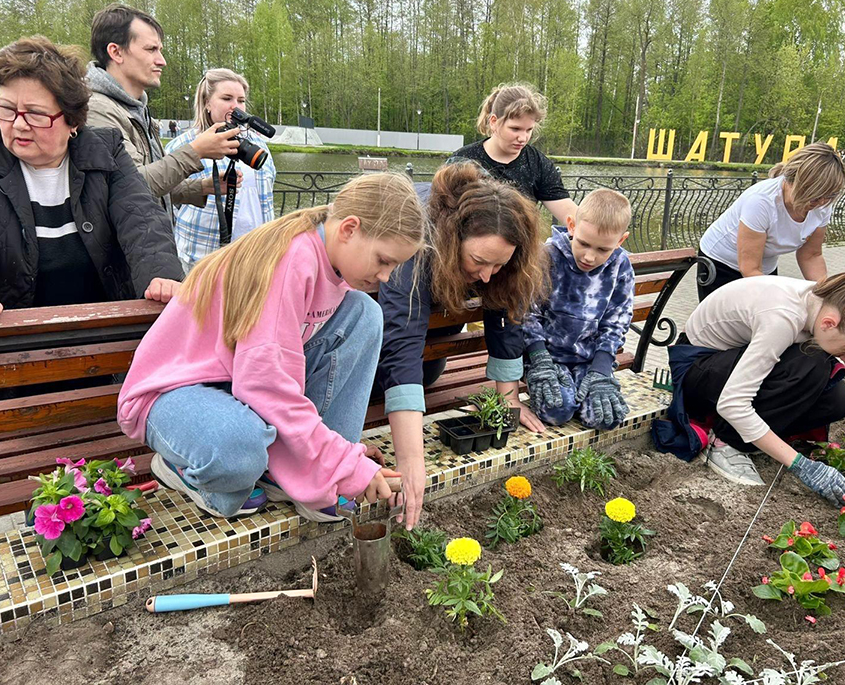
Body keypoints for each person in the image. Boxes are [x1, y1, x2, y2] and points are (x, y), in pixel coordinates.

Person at [117, 172, 427, 520]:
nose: (385, 277)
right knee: (240, 453)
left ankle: (308, 476)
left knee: (366, 313)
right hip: (174, 392)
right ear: (349, 229)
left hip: (235, 385)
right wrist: (346, 464)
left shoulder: (335, 261)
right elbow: (266, 386)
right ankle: (181, 468)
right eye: (384, 261)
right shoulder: (290, 259)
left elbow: (274, 376)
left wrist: (340, 461)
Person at [0, 36, 182, 338]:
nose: (19, 125)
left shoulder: (106, 149)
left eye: (36, 114)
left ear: (72, 120)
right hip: (9, 336)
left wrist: (162, 275)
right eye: (7, 109)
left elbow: (141, 218)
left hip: (102, 330)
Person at [377, 161, 548, 529]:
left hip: (426, 349)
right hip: (378, 334)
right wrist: (411, 461)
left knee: (428, 372)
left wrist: (509, 399)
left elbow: (505, 311)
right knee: (403, 375)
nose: (487, 276)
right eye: (479, 262)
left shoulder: (494, 232)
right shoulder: (416, 237)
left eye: (499, 265)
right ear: (453, 237)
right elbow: (402, 339)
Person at [653, 270, 845, 507]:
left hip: (733, 364)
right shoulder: (783, 317)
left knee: (837, 398)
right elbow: (733, 403)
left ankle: (757, 437)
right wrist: (801, 465)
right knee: (813, 363)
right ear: (829, 323)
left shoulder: (840, 312)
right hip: (698, 369)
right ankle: (724, 442)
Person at [85, 4, 241, 220]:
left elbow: (157, 183)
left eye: (160, 50)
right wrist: (195, 151)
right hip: (125, 251)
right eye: (151, 50)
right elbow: (130, 188)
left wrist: (205, 186)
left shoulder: (136, 107)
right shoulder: (97, 110)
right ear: (116, 52)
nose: (162, 61)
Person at [522, 188, 634, 430]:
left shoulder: (621, 266)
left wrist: (601, 372)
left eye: (603, 250)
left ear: (621, 240)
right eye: (584, 244)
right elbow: (527, 314)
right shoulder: (547, 256)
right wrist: (540, 361)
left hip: (589, 361)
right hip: (547, 360)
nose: (590, 257)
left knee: (605, 418)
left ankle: (581, 388)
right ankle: (563, 390)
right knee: (557, 412)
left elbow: (616, 323)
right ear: (571, 225)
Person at [696, 143, 845, 301]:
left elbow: (811, 255)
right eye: (815, 196)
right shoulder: (761, 202)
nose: (822, 202)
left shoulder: (822, 204)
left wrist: (825, 294)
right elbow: (750, 268)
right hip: (722, 261)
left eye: (829, 195)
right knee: (724, 321)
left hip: (764, 264)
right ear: (792, 182)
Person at [167, 69, 277, 272]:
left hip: (256, 259)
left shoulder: (259, 145)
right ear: (207, 102)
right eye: (227, 98)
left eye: (241, 100)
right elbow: (166, 198)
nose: (236, 106)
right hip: (203, 259)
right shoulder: (184, 145)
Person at [450, 82, 578, 224]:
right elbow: (442, 218)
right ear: (493, 122)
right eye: (515, 129)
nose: (523, 138)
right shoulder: (461, 161)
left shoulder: (537, 163)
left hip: (521, 244)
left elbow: (569, 213)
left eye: (529, 130)